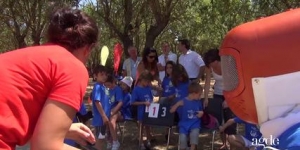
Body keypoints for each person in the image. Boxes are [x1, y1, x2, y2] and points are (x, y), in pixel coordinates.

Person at [0, 7, 98, 150]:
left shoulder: (26, 56)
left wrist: (64, 129)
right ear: (88, 48)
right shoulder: (72, 66)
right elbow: (45, 146)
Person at [203, 48, 237, 150]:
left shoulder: (228, 65)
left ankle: (233, 145)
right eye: (209, 63)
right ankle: (224, 143)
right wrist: (205, 98)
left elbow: (234, 83)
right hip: (217, 94)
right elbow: (207, 83)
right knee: (219, 120)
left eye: (212, 62)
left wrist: (229, 100)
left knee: (230, 120)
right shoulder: (209, 67)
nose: (211, 65)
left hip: (230, 94)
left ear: (217, 60)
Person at [170, 82, 204, 150]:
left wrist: (202, 113)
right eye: (199, 95)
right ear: (194, 94)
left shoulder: (198, 102)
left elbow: (202, 112)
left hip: (194, 124)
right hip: (184, 124)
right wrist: (177, 104)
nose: (200, 97)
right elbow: (171, 111)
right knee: (182, 140)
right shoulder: (183, 101)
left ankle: (192, 148)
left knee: (194, 137)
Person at [131, 71, 154, 150]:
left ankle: (148, 140)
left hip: (149, 111)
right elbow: (133, 102)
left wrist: (151, 102)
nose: (148, 83)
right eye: (147, 81)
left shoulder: (148, 88)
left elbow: (151, 98)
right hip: (141, 111)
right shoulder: (136, 89)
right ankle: (141, 143)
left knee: (148, 126)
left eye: (149, 82)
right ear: (142, 80)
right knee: (141, 127)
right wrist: (143, 103)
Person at [90, 65, 111, 150]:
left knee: (101, 139)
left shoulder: (104, 86)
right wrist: (103, 116)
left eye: (105, 74)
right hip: (100, 119)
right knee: (99, 139)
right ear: (95, 76)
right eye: (101, 74)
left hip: (104, 119)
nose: (104, 76)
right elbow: (97, 102)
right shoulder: (98, 87)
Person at [104, 74, 123, 150]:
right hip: (107, 111)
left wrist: (114, 111)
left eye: (109, 85)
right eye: (106, 85)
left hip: (118, 111)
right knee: (104, 121)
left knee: (112, 121)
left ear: (113, 82)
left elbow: (120, 102)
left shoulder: (117, 89)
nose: (108, 87)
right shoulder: (106, 89)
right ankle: (109, 140)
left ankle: (115, 142)